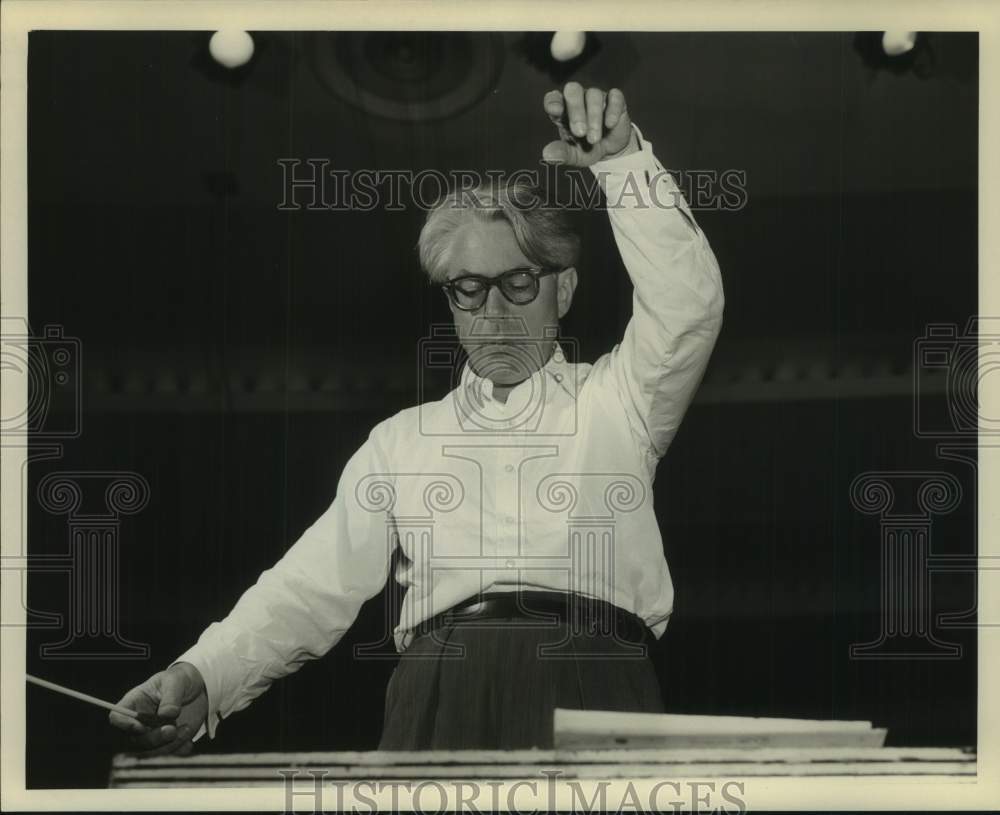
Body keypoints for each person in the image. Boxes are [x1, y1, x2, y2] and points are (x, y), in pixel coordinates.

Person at [109, 81, 724, 754]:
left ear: (563, 288)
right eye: (469, 289)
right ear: (451, 303)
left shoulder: (620, 401)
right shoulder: (398, 443)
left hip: (598, 684)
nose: (494, 312)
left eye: (518, 283)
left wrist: (623, 166)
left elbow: (687, 305)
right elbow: (311, 583)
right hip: (440, 693)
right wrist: (204, 672)